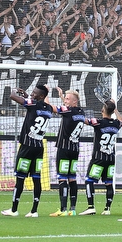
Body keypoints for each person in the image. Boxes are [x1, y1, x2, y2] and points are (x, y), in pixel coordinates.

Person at [2, 84, 54, 218]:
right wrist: (28, 96)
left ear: (41, 96)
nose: (32, 94)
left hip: (26, 147)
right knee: (37, 179)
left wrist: (15, 91)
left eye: (34, 93)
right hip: (39, 147)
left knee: (20, 178)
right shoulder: (48, 109)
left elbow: (12, 96)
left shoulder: (33, 104)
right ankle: (34, 211)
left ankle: (14, 210)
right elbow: (35, 105)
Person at [81, 100, 122, 216]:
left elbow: (84, 120)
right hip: (111, 158)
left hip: (98, 158)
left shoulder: (98, 122)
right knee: (109, 183)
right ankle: (107, 208)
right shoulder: (115, 124)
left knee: (89, 181)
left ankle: (91, 207)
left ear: (102, 110)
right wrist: (115, 108)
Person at [49, 87, 86, 217]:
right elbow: (68, 110)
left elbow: (51, 107)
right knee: (72, 178)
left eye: (68, 98)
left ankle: (63, 209)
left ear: (75, 102)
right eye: (65, 98)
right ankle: (73, 209)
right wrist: (62, 97)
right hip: (75, 150)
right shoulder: (81, 112)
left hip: (64, 149)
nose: (65, 100)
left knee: (62, 178)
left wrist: (46, 95)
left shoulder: (68, 111)